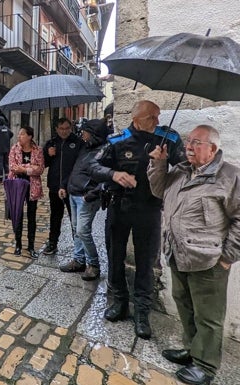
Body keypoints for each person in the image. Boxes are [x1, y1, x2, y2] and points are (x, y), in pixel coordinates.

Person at [148, 125, 239, 385]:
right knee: (185, 304)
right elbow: (158, 190)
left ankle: (205, 366)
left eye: (196, 142)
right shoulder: (180, 170)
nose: (189, 146)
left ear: (213, 149)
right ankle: (191, 350)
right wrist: (159, 162)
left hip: (208, 260)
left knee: (208, 315)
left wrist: (227, 256)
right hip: (178, 253)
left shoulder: (229, 177)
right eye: (189, 141)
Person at [90, 100, 185, 339]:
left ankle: (142, 313)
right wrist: (114, 173)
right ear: (136, 119)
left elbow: (186, 171)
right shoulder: (117, 140)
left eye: (158, 116)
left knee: (146, 262)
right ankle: (119, 302)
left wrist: (162, 162)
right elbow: (91, 165)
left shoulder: (169, 139)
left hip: (149, 210)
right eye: (151, 117)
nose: (157, 121)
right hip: (119, 207)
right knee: (115, 257)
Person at [59, 119, 107, 280]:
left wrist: (91, 194)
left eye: (85, 131)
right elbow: (76, 168)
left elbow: (105, 178)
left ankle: (93, 264)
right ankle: (79, 260)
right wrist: (66, 186)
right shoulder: (85, 147)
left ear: (93, 134)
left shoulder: (104, 151)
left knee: (82, 231)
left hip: (86, 197)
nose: (83, 134)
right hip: (74, 194)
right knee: (76, 229)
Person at [42, 117, 82, 255]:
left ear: (70, 128)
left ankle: (78, 248)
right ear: (56, 129)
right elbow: (44, 164)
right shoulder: (51, 143)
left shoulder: (78, 143)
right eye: (61, 129)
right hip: (54, 186)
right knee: (55, 216)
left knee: (75, 219)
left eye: (67, 128)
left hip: (72, 187)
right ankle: (52, 243)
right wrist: (48, 154)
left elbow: (80, 165)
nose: (64, 131)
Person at [7, 126, 44, 256]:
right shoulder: (14, 149)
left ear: (29, 136)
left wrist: (23, 169)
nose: (19, 136)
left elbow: (40, 169)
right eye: (19, 134)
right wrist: (29, 168)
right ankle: (18, 244)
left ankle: (31, 246)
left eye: (22, 134)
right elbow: (12, 167)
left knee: (31, 216)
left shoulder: (37, 150)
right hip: (17, 185)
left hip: (32, 187)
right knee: (18, 215)